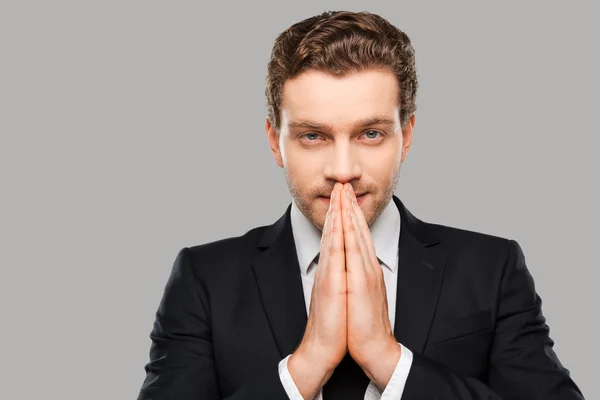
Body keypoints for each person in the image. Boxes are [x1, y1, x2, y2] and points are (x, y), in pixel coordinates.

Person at [136, 10, 585, 400]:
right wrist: (306, 366)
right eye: (314, 136)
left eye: (370, 134)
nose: (344, 169)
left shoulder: (492, 268)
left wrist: (389, 360)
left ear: (405, 136)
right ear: (276, 141)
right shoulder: (204, 279)